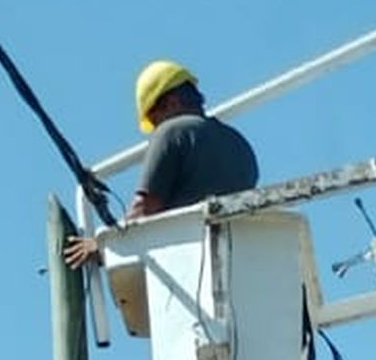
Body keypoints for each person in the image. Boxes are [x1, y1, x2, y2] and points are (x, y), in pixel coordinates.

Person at [66, 61, 259, 267]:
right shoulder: (239, 143)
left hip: (191, 263)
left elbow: (145, 209)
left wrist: (104, 245)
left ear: (172, 102)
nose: (155, 128)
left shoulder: (171, 132)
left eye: (154, 118)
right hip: (244, 263)